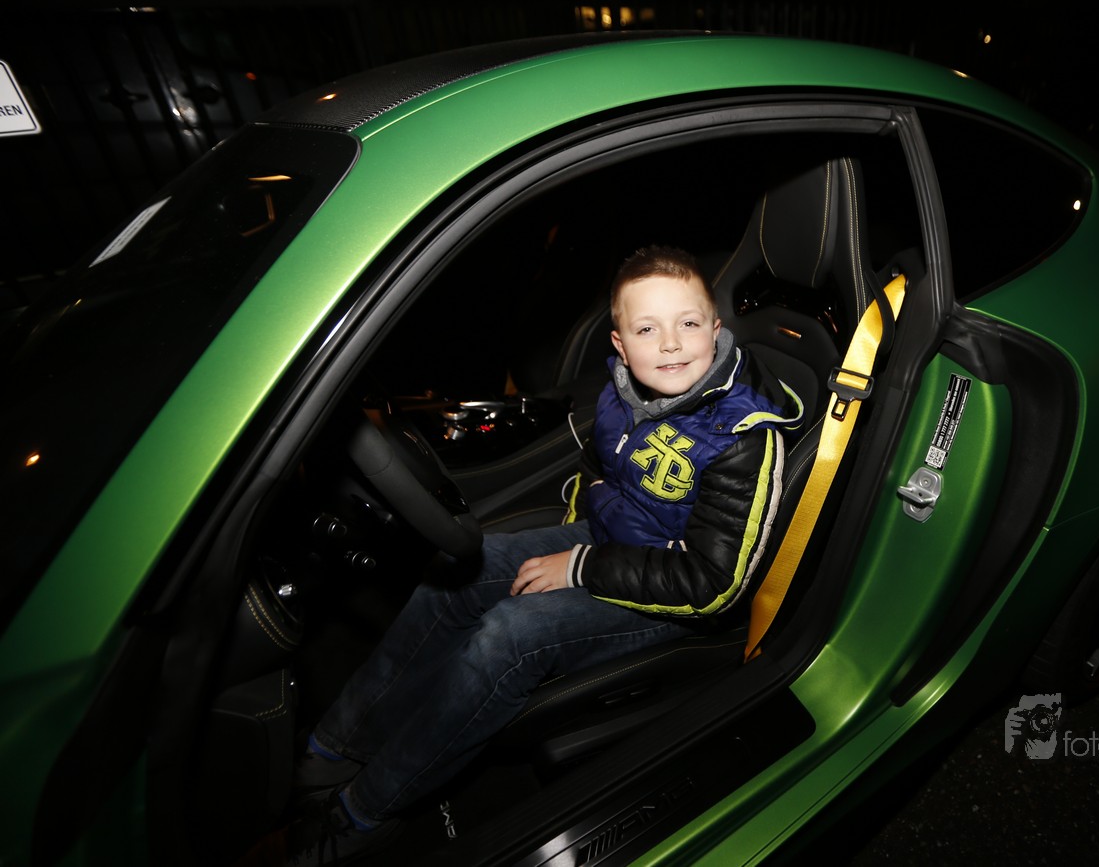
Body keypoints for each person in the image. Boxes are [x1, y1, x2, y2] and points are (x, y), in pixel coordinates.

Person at [284, 245, 804, 864]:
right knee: (459, 571)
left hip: (675, 593)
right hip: (613, 543)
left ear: (715, 330)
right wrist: (581, 528)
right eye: (647, 329)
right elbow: (602, 465)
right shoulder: (626, 388)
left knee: (509, 635)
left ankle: (365, 810)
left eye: (688, 323)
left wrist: (579, 567)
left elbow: (712, 584)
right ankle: (341, 741)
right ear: (620, 346)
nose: (670, 344)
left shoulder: (744, 436)